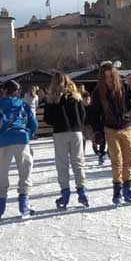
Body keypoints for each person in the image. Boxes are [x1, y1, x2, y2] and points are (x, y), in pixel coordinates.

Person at [89, 63, 131, 206]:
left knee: (129, 159)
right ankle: (117, 191)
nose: (109, 79)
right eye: (106, 77)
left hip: (126, 128)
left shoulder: (125, 88)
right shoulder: (98, 93)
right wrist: (98, 132)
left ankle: (127, 189)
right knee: (117, 159)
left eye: (111, 76)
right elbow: (94, 115)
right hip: (110, 129)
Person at [0, 80, 38, 219]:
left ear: (4, 91)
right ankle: (23, 202)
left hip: (3, 140)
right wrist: (28, 134)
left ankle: (0, 205)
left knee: (2, 172)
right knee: (25, 170)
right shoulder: (23, 104)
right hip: (21, 139)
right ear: (17, 92)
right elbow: (33, 123)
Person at [44, 73, 89, 208]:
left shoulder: (51, 98)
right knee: (78, 163)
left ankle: (65, 194)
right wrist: (77, 124)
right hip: (75, 132)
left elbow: (48, 119)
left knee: (62, 164)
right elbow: (83, 114)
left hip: (60, 133)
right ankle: (82, 191)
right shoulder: (76, 96)